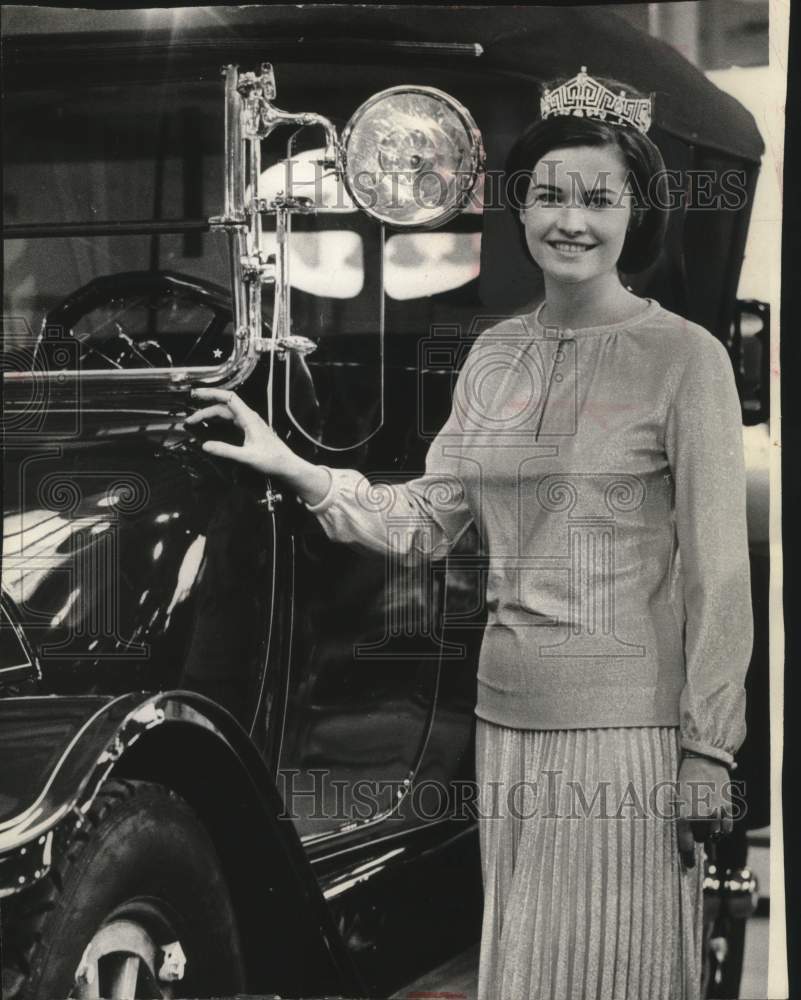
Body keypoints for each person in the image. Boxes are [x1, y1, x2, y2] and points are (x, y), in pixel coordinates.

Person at [184, 70, 752, 1000]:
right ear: (520, 212)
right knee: (526, 973)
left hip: (627, 735)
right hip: (504, 725)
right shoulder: (493, 353)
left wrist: (707, 749)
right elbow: (426, 520)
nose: (572, 219)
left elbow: (719, 577)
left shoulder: (686, 359)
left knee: (617, 971)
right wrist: (293, 465)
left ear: (634, 216)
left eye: (598, 199)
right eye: (549, 195)